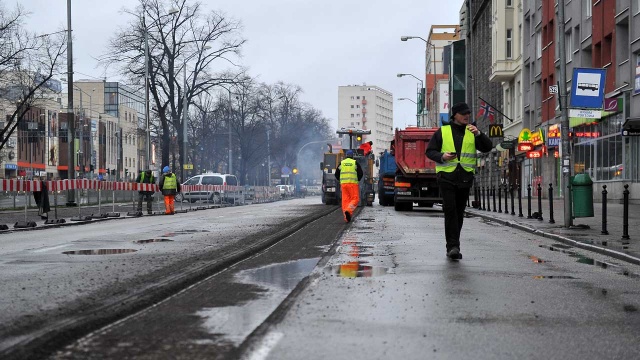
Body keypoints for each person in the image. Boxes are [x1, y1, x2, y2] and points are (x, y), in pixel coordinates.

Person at [426, 102, 493, 260]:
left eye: (468, 113)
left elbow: (487, 147)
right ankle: (453, 247)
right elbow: (430, 151)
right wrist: (442, 157)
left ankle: (455, 244)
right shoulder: (443, 131)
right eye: (463, 113)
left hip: (465, 178)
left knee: (459, 212)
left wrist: (479, 134)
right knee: (450, 211)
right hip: (446, 177)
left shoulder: (472, 131)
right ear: (454, 115)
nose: (466, 116)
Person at [334, 149, 363, 223]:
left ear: (346, 156)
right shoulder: (354, 163)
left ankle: (347, 218)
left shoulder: (342, 163)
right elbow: (360, 173)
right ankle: (348, 211)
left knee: (345, 201)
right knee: (355, 199)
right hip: (353, 184)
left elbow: (336, 174)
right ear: (352, 156)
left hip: (344, 185)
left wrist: (340, 180)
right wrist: (358, 179)